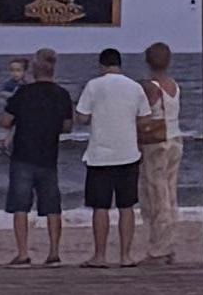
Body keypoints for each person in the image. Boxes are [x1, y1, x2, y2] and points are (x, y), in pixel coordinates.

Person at [74, 43, 148, 263]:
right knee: (126, 207)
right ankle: (125, 255)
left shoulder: (93, 85)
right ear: (119, 64)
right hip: (128, 153)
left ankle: (100, 256)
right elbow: (145, 118)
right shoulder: (135, 87)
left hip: (100, 156)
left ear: (101, 65)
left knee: (100, 207)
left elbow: (82, 117)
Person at [0, 49, 72, 263]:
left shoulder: (23, 93)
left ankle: (23, 253)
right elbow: (67, 126)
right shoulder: (62, 94)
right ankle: (54, 253)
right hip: (48, 156)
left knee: (20, 206)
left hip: (23, 155)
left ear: (33, 71)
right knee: (52, 207)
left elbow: (5, 121)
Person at [136, 40, 182, 259]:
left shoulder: (149, 86)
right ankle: (168, 243)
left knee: (156, 194)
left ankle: (159, 248)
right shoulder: (172, 84)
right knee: (169, 192)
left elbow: (143, 114)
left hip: (156, 142)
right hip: (174, 137)